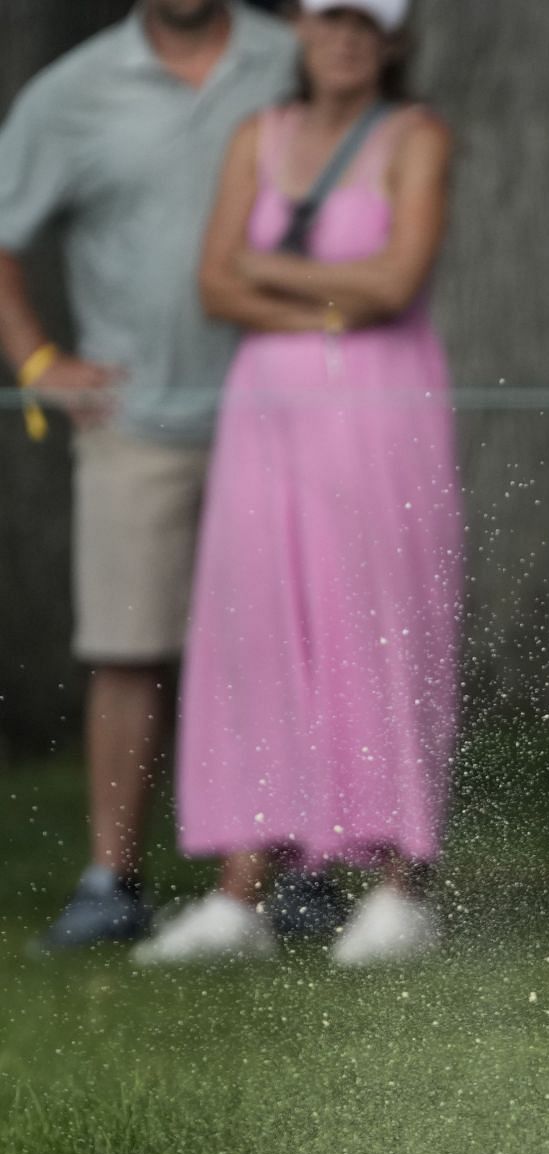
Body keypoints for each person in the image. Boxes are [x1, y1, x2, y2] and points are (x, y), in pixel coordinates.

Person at [133, 0, 461, 965]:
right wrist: (334, 291)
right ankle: (242, 893)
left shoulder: (417, 135)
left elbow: (396, 283)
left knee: (378, 624)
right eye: (328, 20)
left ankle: (399, 886)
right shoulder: (257, 135)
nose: (345, 38)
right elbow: (214, 284)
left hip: (381, 409)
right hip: (266, 417)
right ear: (301, 30)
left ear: (391, 39)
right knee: (257, 632)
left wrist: (272, 272)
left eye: (364, 23)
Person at [0, 0, 297, 951]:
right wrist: (40, 365)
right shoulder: (73, 92)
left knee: (272, 649)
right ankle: (111, 880)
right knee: (128, 649)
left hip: (284, 416)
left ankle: (282, 877)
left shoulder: (289, 58)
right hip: (137, 421)